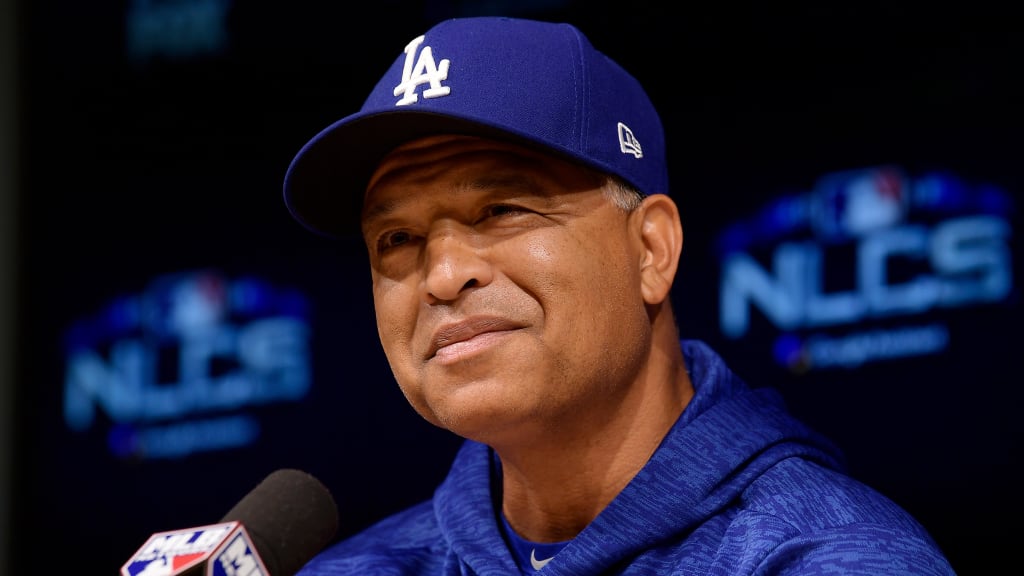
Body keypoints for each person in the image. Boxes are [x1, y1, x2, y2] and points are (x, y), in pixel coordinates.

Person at [281, 16, 956, 575]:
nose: (441, 275)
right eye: (396, 239)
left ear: (651, 250)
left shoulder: (825, 559)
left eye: (502, 210)